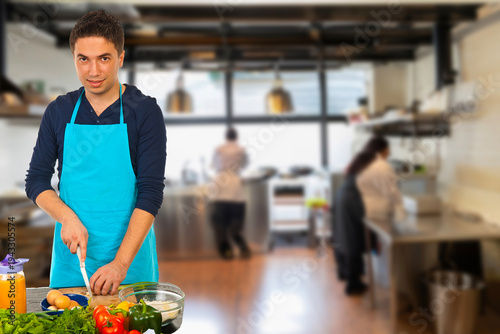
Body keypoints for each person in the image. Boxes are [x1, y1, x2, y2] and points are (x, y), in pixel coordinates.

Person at [24, 10, 166, 295]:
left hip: (130, 263)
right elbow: (36, 180)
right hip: (73, 261)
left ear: (121, 58)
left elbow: (150, 193)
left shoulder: (144, 111)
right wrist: (67, 217)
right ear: (74, 59)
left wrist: (119, 264)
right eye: (83, 59)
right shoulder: (59, 111)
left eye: (104, 58)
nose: (93, 71)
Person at [333, 136, 403, 295]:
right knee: (354, 239)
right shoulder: (378, 164)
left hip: (344, 197)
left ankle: (349, 276)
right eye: (388, 150)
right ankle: (353, 284)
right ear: (383, 150)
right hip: (353, 200)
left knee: (347, 238)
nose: (389, 153)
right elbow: (391, 190)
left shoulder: (362, 158)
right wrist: (398, 208)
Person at [209, 128, 251, 259]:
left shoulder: (218, 149)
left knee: (220, 224)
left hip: (220, 186)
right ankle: (243, 247)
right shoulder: (241, 150)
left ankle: (226, 251)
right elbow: (245, 164)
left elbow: (214, 165)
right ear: (236, 137)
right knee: (236, 223)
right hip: (235, 186)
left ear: (226, 137)